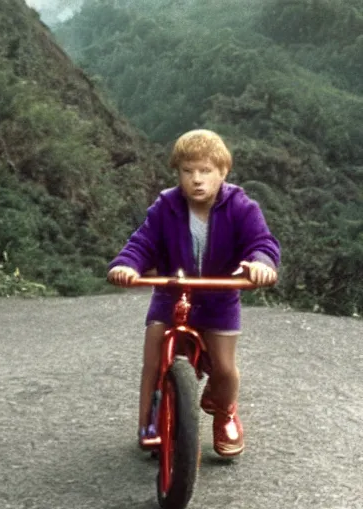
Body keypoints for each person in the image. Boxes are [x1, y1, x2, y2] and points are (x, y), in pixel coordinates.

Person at [107, 129, 280, 457]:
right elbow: (142, 243)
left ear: (223, 172)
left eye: (205, 171)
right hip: (171, 294)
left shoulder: (241, 206)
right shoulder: (166, 206)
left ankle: (225, 411)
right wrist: (127, 266)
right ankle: (149, 421)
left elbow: (262, 242)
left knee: (225, 370)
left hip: (219, 299)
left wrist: (261, 264)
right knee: (154, 356)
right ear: (178, 173)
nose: (196, 180)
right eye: (188, 172)